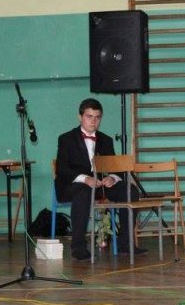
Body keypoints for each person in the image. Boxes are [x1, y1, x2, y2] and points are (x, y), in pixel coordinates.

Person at [55, 98, 143, 261]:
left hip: (100, 186)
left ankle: (125, 244)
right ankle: (78, 248)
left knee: (130, 191)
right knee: (83, 192)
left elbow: (116, 168)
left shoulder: (106, 140)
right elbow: (62, 170)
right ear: (80, 117)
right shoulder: (66, 139)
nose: (93, 121)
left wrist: (112, 178)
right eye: (89, 116)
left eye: (97, 117)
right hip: (74, 185)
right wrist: (85, 179)